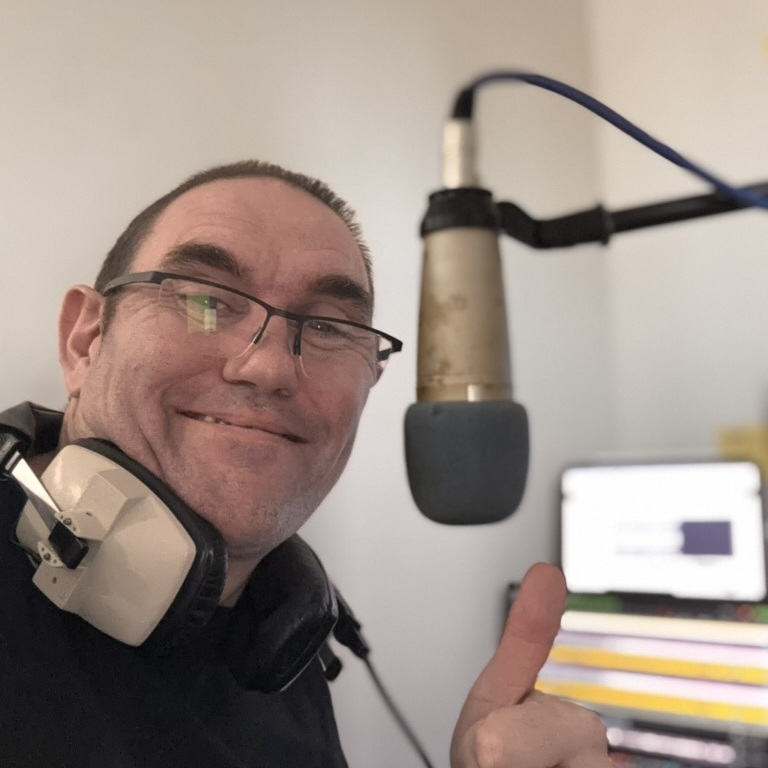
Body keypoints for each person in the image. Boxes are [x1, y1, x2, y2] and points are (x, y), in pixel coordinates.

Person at [0, 160, 612, 767]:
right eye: (206, 301)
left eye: (328, 327)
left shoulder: (278, 638)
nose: (269, 367)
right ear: (85, 340)